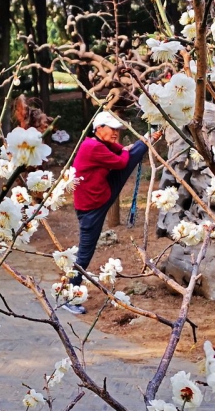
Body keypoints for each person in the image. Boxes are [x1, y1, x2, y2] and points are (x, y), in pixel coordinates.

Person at [63, 111, 162, 314]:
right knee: (84, 254)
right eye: (112, 129)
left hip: (101, 192)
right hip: (92, 207)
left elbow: (120, 150)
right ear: (99, 129)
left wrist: (129, 148)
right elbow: (122, 161)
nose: (116, 133)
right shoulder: (92, 147)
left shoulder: (100, 144)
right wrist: (130, 150)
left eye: (117, 129)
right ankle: (69, 297)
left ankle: (152, 136)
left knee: (131, 154)